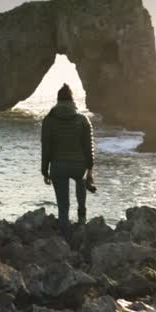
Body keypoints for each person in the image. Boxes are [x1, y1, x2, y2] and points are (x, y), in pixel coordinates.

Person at [41, 83, 94, 235]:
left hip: (58, 167)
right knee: (81, 185)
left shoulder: (49, 120)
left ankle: (66, 239)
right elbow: (88, 148)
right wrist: (90, 170)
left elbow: (46, 149)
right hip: (79, 166)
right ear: (72, 101)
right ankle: (82, 221)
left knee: (63, 207)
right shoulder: (83, 120)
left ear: (58, 101)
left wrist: (45, 171)